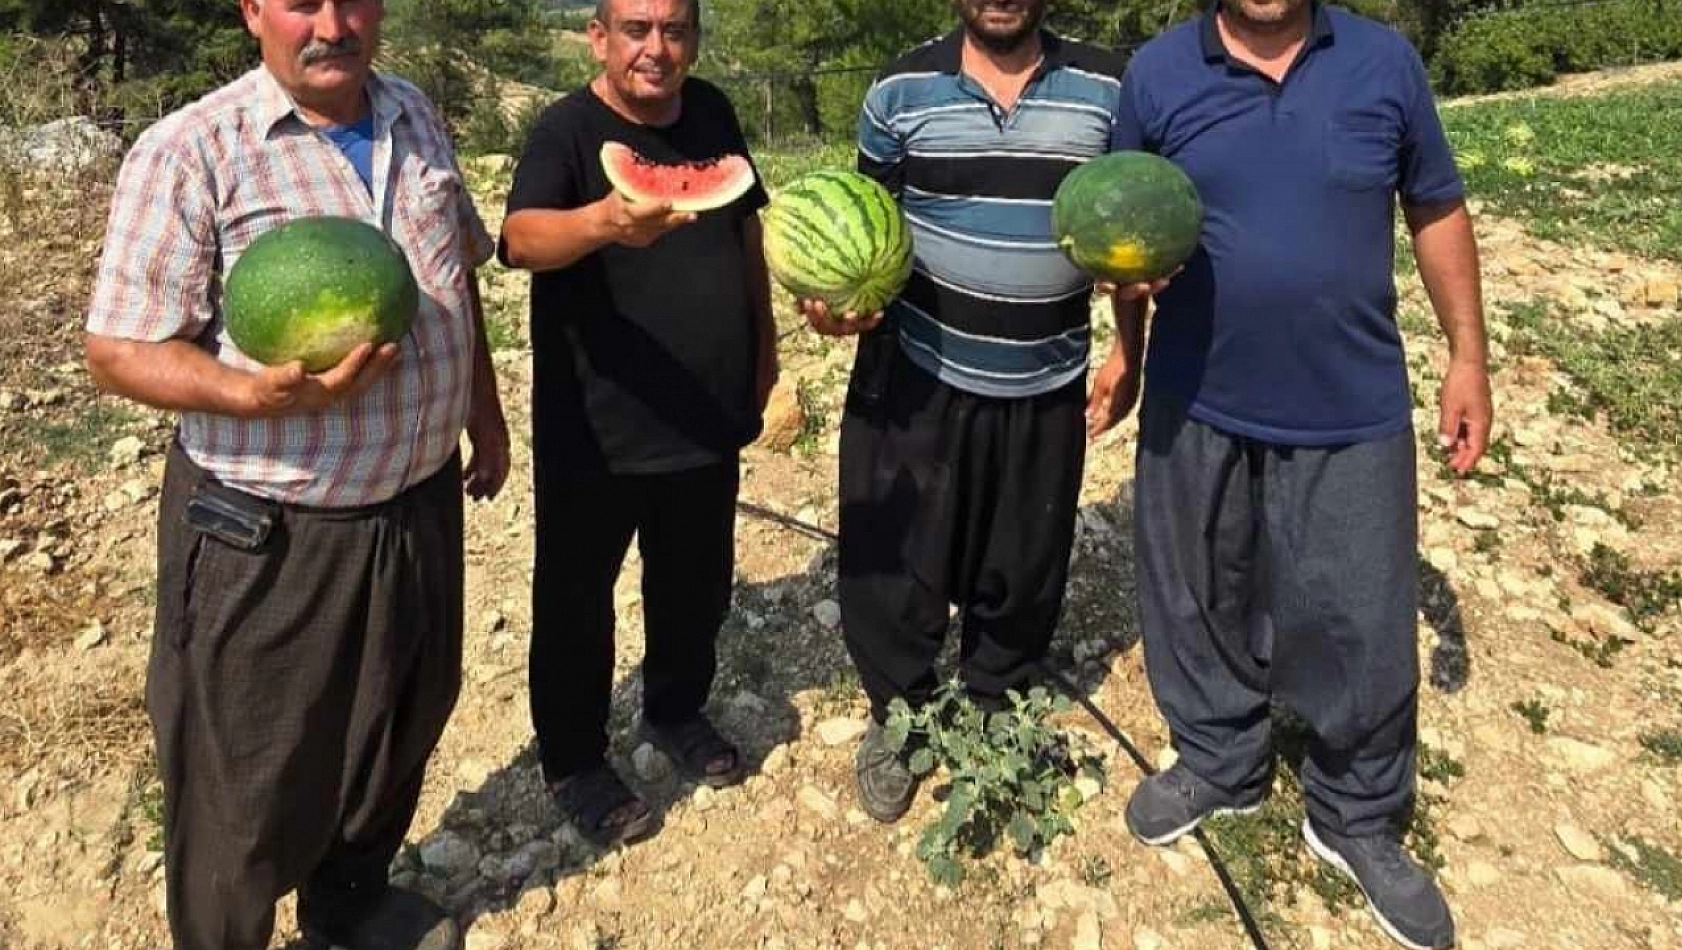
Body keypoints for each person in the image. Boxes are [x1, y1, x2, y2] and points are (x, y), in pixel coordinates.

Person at [81, 0, 508, 948]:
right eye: (301, 2)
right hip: (268, 528)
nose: (332, 23)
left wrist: (483, 408)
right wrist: (251, 397)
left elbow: (455, 276)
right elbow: (115, 349)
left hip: (417, 499)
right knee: (246, 781)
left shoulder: (414, 114)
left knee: (395, 728)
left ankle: (349, 907)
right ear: (252, 12)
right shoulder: (191, 149)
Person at [1107, 0, 1492, 946]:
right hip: (1196, 398)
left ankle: (1355, 810)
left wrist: (1468, 356)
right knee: (1194, 592)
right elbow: (1120, 225)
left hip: (1348, 399)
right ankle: (1219, 757)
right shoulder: (1157, 74)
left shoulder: (1383, 63)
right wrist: (1126, 343)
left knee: (1359, 608)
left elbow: (1435, 205)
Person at [804, 0, 1162, 824]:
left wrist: (1129, 352)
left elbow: (1129, 232)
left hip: (1045, 378)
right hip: (916, 373)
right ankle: (901, 716)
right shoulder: (899, 91)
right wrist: (836, 303)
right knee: (895, 563)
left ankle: (999, 698)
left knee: (1025, 561)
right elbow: (866, 229)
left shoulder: (1111, 86)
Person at [499, 0, 776, 850]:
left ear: (692, 38)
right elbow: (518, 238)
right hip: (598, 423)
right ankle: (574, 759)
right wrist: (605, 223)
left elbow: (744, 232)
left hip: (704, 410)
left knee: (695, 581)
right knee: (578, 599)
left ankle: (675, 709)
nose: (657, 49)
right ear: (600, 37)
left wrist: (764, 350)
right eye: (637, 30)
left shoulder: (715, 111)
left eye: (675, 31)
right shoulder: (567, 132)